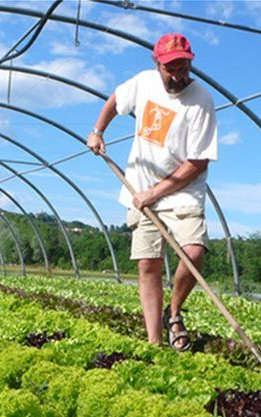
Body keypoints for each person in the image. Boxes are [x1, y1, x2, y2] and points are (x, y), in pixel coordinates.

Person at [87, 32, 218, 352]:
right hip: (141, 185)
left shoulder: (201, 100)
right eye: (171, 68)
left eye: (183, 67)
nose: (178, 75)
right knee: (148, 264)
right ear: (157, 64)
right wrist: (97, 131)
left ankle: (173, 313)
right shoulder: (144, 82)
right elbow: (116, 100)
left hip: (181, 189)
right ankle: (154, 343)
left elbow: (197, 163)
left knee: (194, 251)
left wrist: (157, 192)